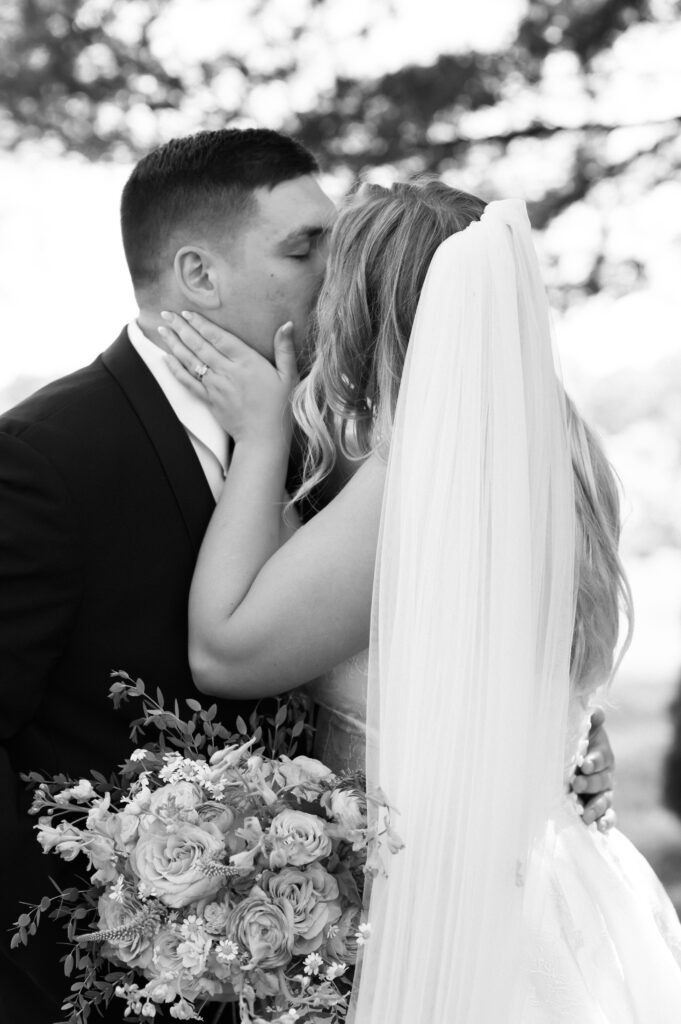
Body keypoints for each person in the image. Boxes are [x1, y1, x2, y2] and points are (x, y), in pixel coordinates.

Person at [161, 180, 681, 1021]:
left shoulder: (412, 479)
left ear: (364, 311)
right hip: (556, 892)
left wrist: (260, 436)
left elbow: (224, 650)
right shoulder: (569, 458)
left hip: (436, 928)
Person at [0, 127, 335, 1024]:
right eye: (305, 248)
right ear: (197, 275)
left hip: (298, 971)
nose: (335, 274)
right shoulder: (46, 456)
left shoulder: (319, 439)